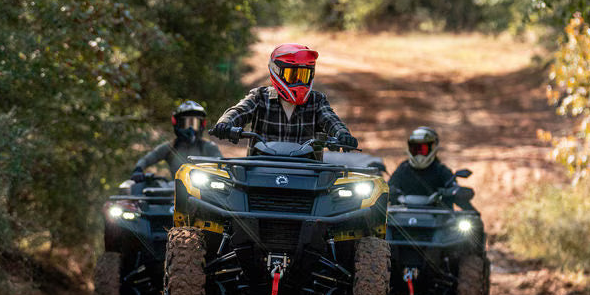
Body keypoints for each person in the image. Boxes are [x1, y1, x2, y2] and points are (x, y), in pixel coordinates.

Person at [211, 43, 358, 149]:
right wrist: (225, 124)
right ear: (276, 71)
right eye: (293, 75)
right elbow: (239, 111)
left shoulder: (316, 101)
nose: (299, 81)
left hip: (307, 173)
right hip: (261, 169)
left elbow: (331, 120)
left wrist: (342, 135)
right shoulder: (260, 97)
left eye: (304, 75)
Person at [131, 100, 223, 182]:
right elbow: (147, 159)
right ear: (176, 123)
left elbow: (223, 166)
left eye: (194, 123)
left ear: (202, 124)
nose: (190, 128)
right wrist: (138, 170)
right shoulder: (171, 147)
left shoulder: (209, 147)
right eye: (185, 123)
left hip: (205, 193)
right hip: (174, 192)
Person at [389, 126, 473, 208]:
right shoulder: (403, 169)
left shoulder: (441, 170)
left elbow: (455, 189)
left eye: (422, 150)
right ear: (409, 149)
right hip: (402, 219)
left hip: (439, 219)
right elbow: (388, 187)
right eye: (416, 150)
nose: (419, 154)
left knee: (473, 219)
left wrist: (455, 192)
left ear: (432, 148)